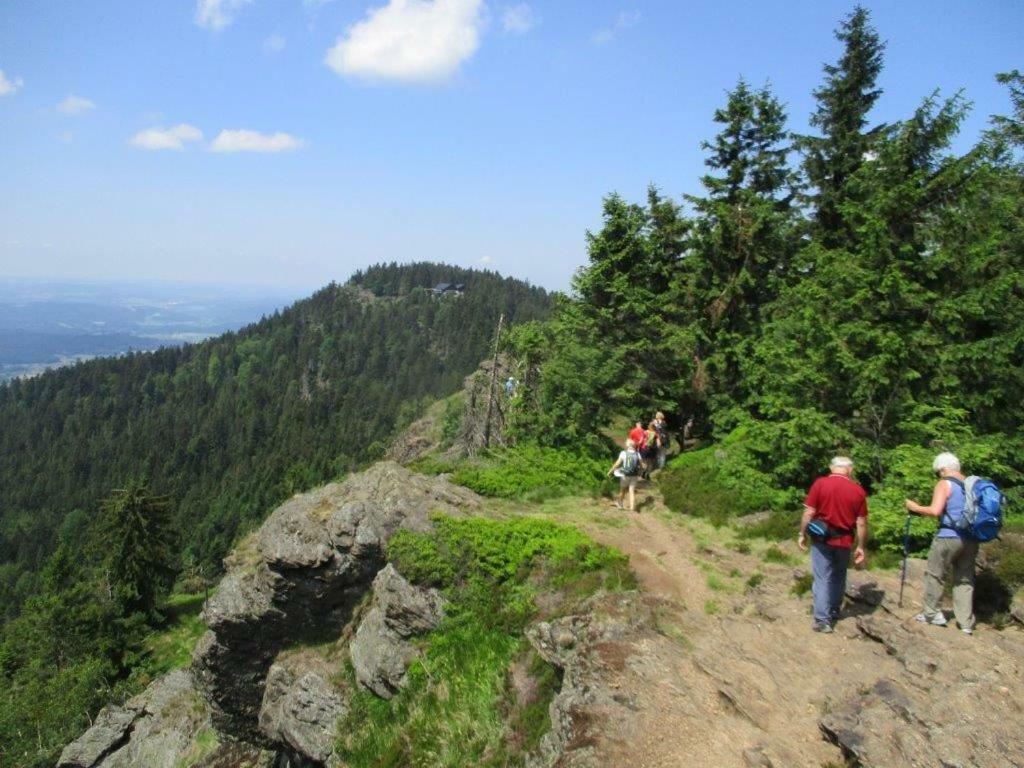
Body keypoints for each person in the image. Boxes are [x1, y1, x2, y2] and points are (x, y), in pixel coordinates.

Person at [905, 452, 978, 635]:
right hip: (971, 538)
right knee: (965, 579)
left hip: (949, 535)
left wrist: (915, 508)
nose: (939, 475)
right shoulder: (973, 485)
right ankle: (965, 622)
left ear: (943, 469)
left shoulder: (945, 483)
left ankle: (931, 614)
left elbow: (935, 510)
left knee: (935, 573)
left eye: (938, 472)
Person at [798, 456, 868, 633]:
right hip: (844, 540)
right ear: (850, 470)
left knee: (822, 578)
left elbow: (809, 512)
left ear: (831, 467)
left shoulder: (820, 484)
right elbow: (861, 522)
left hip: (822, 539)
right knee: (838, 576)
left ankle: (823, 620)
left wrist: (802, 533)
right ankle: (835, 610)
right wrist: (860, 546)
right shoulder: (858, 491)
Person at [607, 438, 642, 512]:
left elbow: (617, 464)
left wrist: (610, 471)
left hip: (625, 475)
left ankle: (620, 503)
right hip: (634, 475)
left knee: (622, 491)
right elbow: (641, 465)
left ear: (628, 445)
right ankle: (632, 508)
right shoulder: (637, 454)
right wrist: (640, 471)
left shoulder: (623, 453)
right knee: (631, 491)